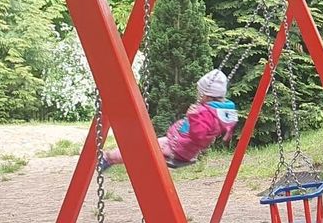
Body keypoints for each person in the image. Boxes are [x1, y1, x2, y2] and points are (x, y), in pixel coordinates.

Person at [100, 69, 238, 170]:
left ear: (206, 96)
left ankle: (109, 158)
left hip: (176, 147)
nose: (198, 95)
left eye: (199, 92)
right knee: (144, 150)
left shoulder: (204, 113)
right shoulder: (220, 111)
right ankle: (110, 158)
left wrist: (193, 116)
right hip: (184, 148)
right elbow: (224, 128)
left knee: (139, 148)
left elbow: (199, 136)